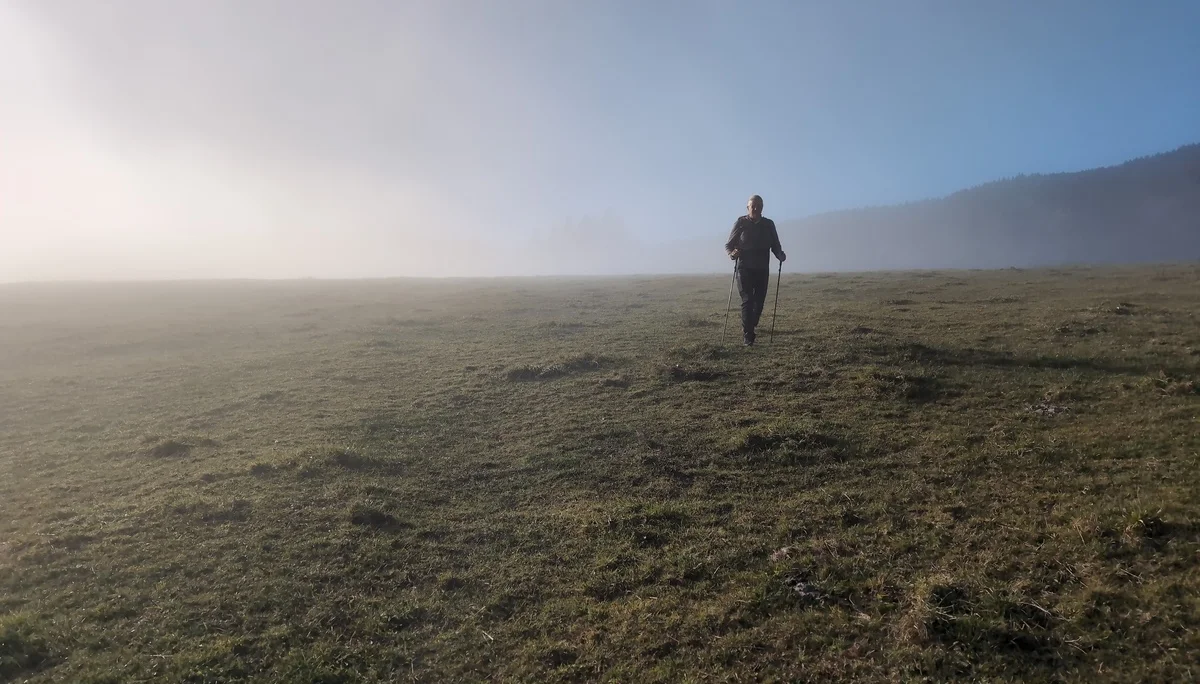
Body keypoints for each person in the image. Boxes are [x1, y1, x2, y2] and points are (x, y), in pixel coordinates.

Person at [725, 194, 785, 346]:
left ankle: (751, 324)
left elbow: (775, 245)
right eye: (753, 206)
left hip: (762, 269)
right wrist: (733, 254)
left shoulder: (768, 224)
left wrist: (780, 255)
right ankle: (748, 336)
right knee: (747, 300)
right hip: (744, 268)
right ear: (748, 208)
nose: (756, 209)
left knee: (759, 302)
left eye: (758, 206)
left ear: (762, 208)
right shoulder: (741, 223)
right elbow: (729, 245)